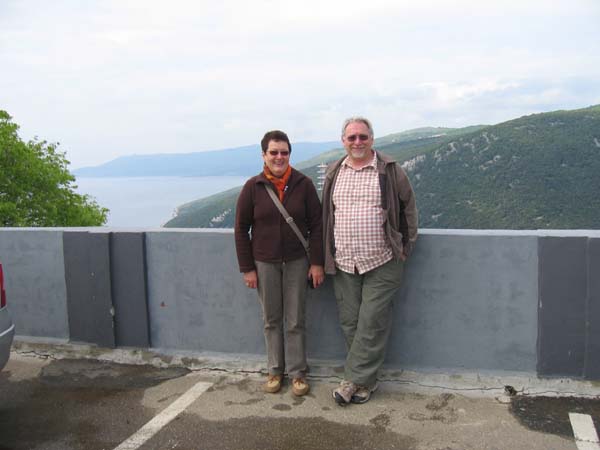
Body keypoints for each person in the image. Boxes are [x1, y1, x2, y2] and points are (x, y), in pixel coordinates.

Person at [322, 117, 418, 405]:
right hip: (344, 261)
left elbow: (408, 208)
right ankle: (367, 381)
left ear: (372, 139)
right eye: (351, 138)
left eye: (363, 137)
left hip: (383, 259)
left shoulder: (389, 170)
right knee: (350, 322)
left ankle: (350, 382)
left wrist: (406, 245)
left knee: (371, 321)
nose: (357, 142)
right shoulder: (333, 172)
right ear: (343, 141)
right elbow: (327, 214)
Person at [235, 130, 325, 397]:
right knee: (271, 319)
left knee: (296, 320)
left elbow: (317, 226)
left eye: (284, 152)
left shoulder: (304, 184)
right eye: (273, 152)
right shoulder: (253, 187)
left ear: (289, 155)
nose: (279, 157)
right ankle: (275, 370)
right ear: (264, 155)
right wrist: (247, 268)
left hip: (298, 262)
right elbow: (241, 229)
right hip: (264, 263)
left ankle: (298, 373)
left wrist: (317, 263)